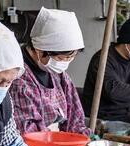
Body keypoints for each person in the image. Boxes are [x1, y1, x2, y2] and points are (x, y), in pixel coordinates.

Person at [9, 7, 91, 135]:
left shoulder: (60, 76)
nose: (65, 63)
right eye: (60, 58)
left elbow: (75, 118)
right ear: (40, 50)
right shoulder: (18, 79)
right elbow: (29, 133)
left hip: (59, 142)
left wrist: (83, 138)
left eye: (71, 57)